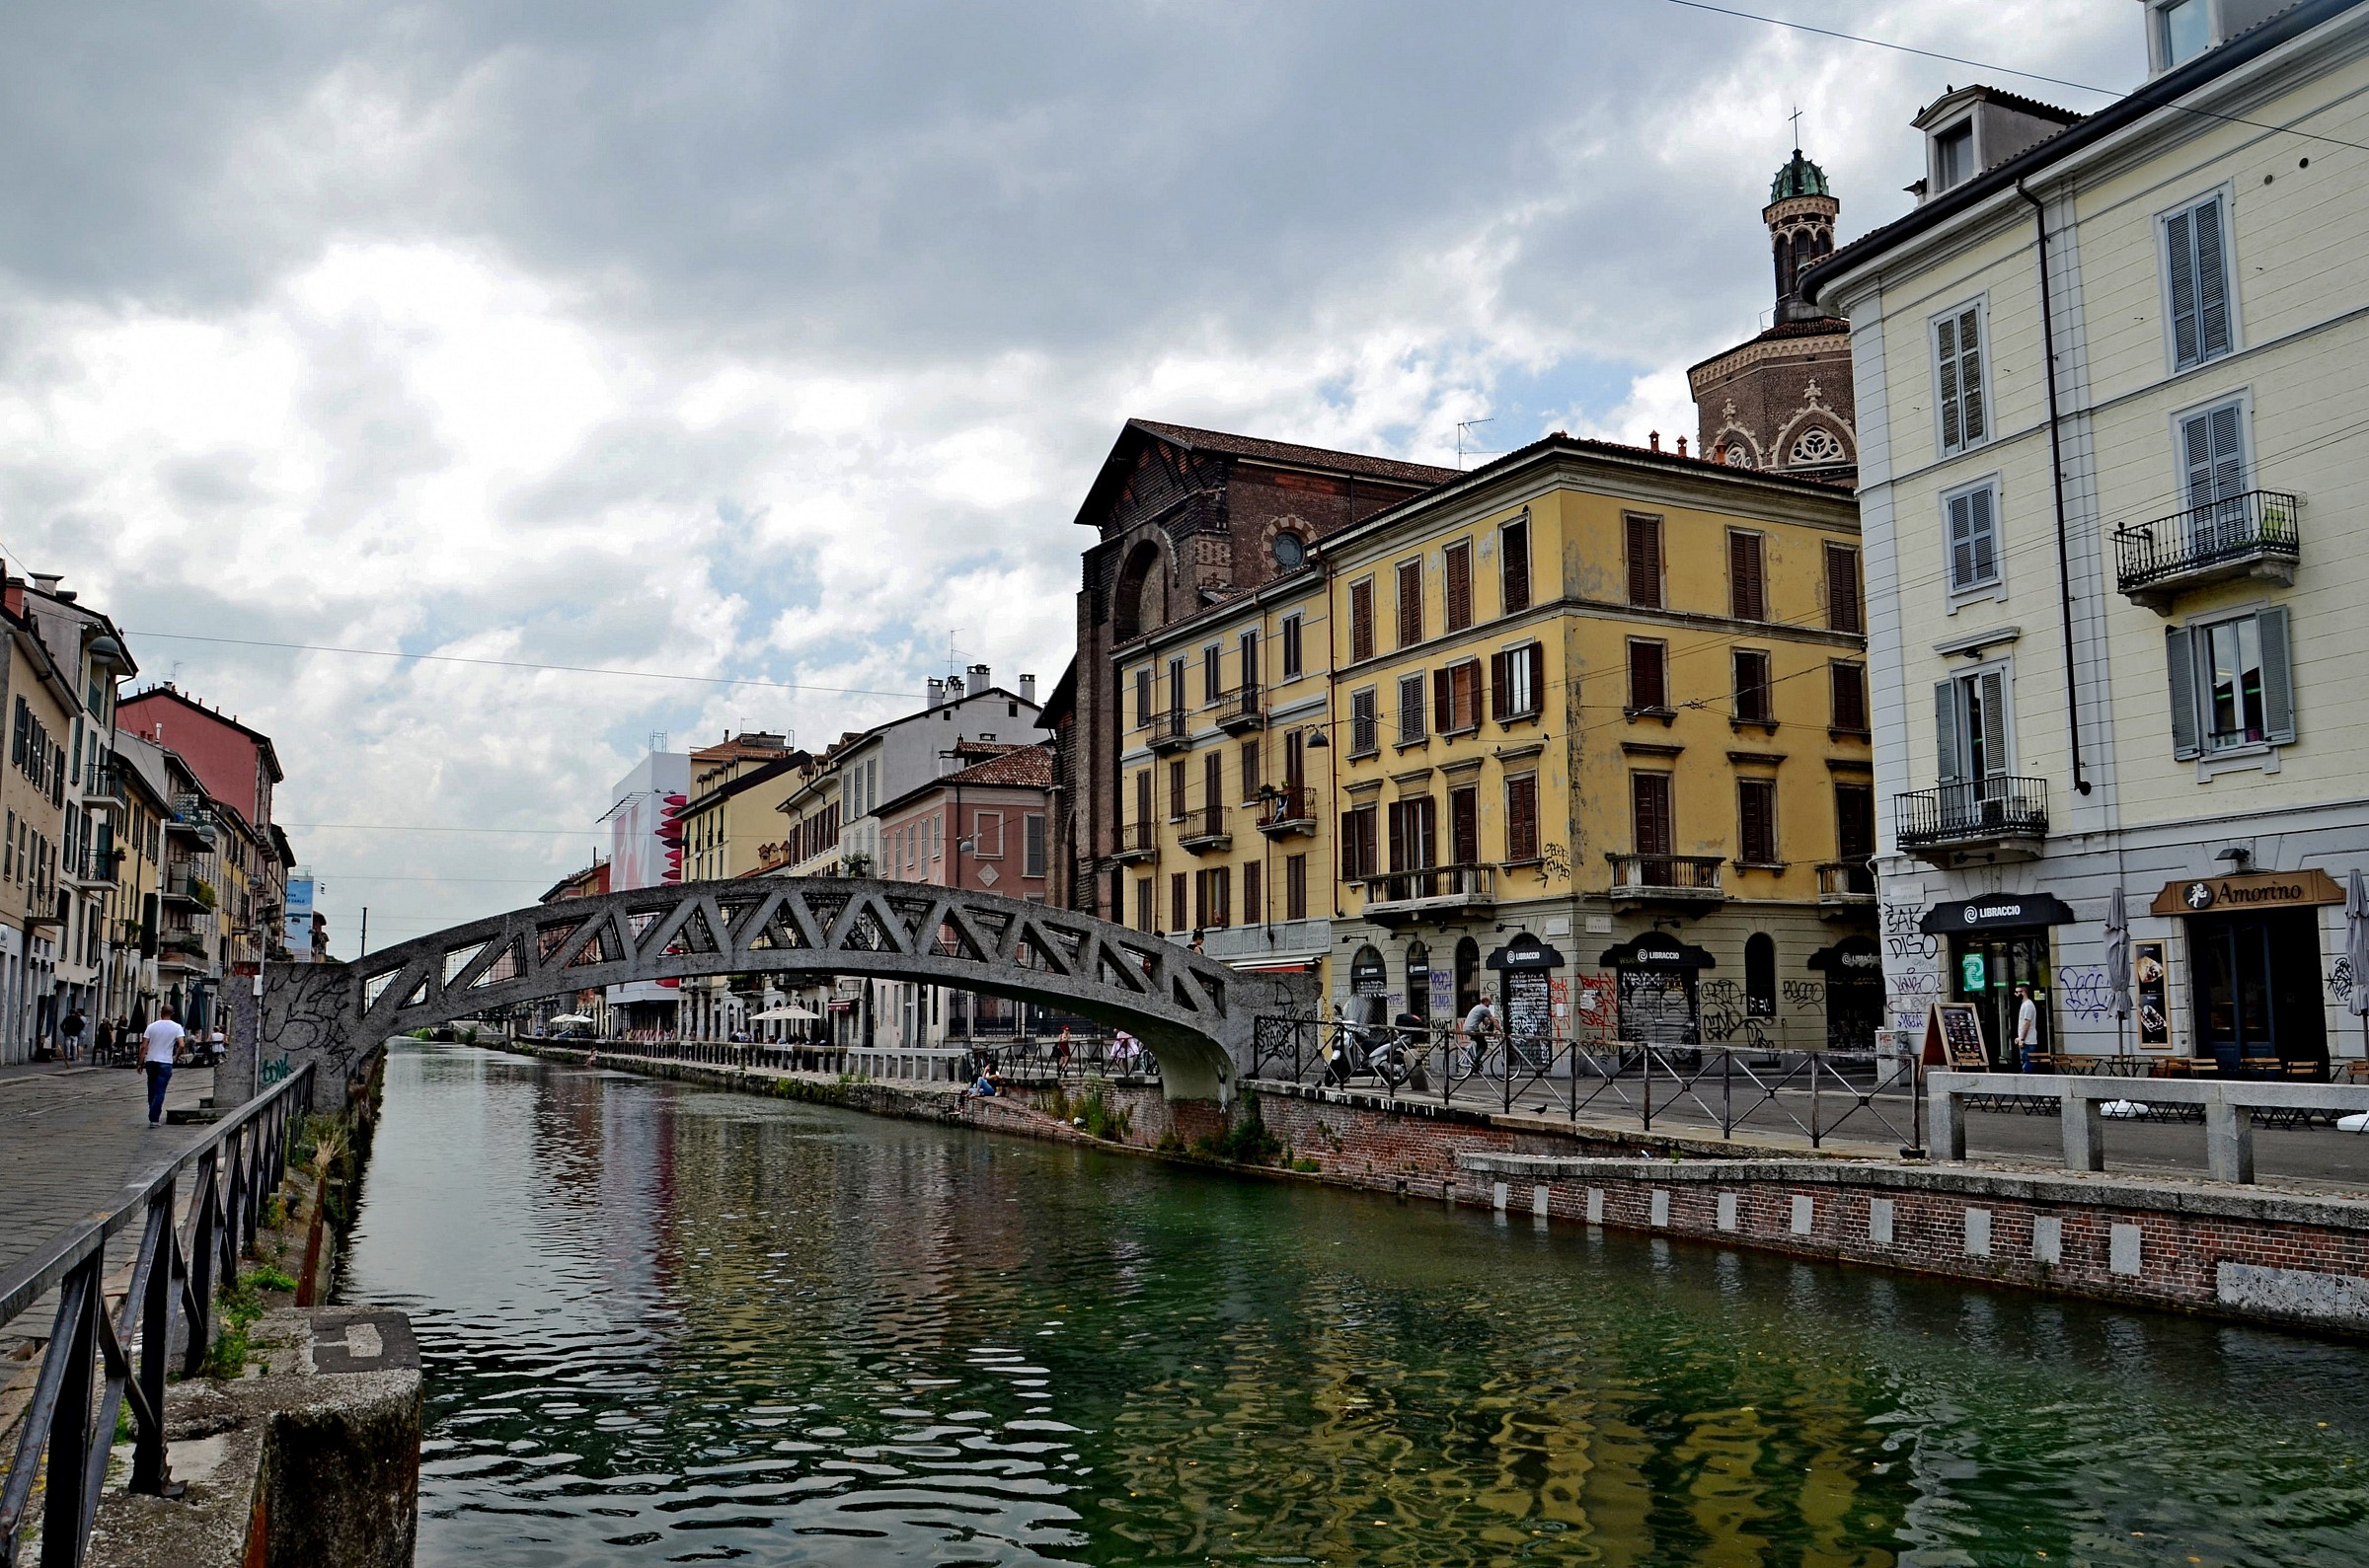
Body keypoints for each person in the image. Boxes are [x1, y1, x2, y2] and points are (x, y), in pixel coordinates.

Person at [141, 1008, 186, 1126]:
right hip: (165, 1061)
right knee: (160, 1090)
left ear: (161, 1012)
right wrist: (175, 1057)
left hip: (151, 1060)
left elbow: (144, 1046)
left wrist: (140, 1062)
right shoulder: (177, 1027)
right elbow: (181, 1045)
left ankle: (153, 1113)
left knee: (151, 1088)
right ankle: (154, 1118)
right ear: (173, 1014)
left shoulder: (151, 1026)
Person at [1462, 996, 1497, 1075]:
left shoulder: (1478, 1007)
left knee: (1480, 1041)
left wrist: (1490, 1030)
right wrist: (1501, 1030)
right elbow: (1493, 1021)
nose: (1490, 1004)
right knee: (1484, 1045)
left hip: (1466, 1028)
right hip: (1472, 1029)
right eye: (1489, 1002)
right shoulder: (1485, 1009)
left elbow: (1486, 1023)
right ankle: (1475, 1063)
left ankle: (1476, 1062)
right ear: (1485, 1001)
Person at [2015, 983, 2042, 1073]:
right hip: (2026, 1040)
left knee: (2027, 1066)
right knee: (2026, 1064)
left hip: (2028, 1041)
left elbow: (2026, 1023)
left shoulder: (2028, 1005)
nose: (2015, 994)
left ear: (2023, 992)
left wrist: (2022, 1039)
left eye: (2017, 992)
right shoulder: (2025, 1005)